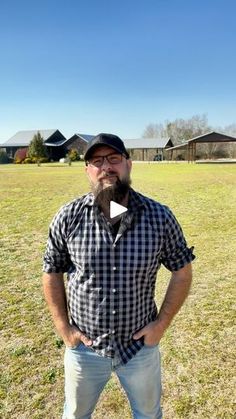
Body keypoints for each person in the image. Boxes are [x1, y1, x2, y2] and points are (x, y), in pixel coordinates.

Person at [42, 133, 195, 419]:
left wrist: (161, 324)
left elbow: (182, 270)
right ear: (87, 169)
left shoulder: (159, 217)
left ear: (128, 164)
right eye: (97, 160)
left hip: (139, 349)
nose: (107, 167)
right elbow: (51, 270)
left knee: (148, 413)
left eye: (114, 158)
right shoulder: (68, 217)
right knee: (75, 414)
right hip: (85, 349)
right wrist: (64, 327)